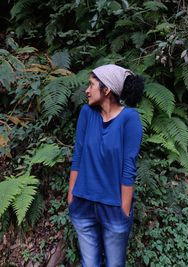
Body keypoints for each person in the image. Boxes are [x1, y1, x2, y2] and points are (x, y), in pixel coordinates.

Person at [67, 64, 143, 267]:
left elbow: (129, 168)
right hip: (82, 204)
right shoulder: (86, 112)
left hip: (114, 209)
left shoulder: (130, 119)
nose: (87, 90)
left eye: (91, 85)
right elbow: (78, 155)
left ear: (106, 90)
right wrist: (71, 196)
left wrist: (124, 209)